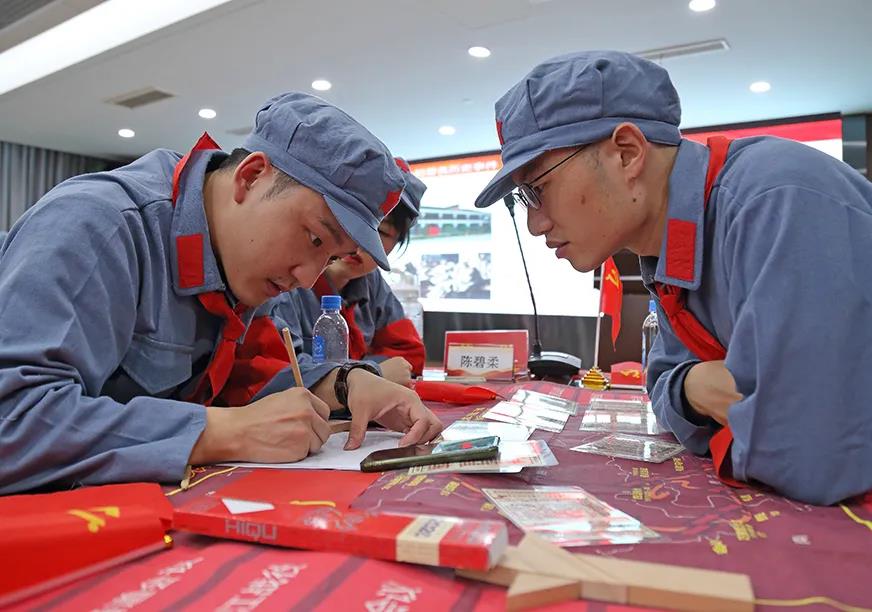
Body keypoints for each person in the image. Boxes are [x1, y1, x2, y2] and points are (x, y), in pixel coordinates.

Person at [472, 50, 872, 505]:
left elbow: (812, 456)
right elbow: (662, 382)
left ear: (627, 153)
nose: (534, 224)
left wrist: (739, 412)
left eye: (537, 189)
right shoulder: (671, 244)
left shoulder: (778, 203)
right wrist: (694, 388)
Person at [0, 92, 442, 495]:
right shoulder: (100, 226)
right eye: (313, 238)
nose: (308, 279)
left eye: (329, 258)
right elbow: (13, 420)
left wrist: (346, 382)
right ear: (251, 177)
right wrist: (222, 431)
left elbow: (248, 373)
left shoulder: (240, 260)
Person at [270, 159, 427, 388]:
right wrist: (370, 374)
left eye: (380, 232)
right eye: (352, 220)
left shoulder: (371, 282)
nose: (359, 242)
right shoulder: (285, 275)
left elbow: (408, 356)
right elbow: (275, 373)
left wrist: (352, 375)